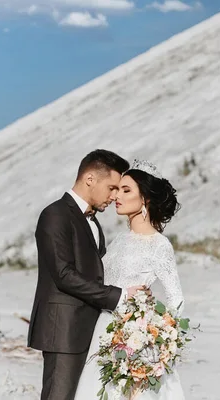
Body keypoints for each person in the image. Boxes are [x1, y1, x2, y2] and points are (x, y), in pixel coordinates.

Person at [27, 149, 148, 400]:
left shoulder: (92, 221)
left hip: (89, 329)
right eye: (112, 187)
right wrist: (120, 297)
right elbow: (64, 274)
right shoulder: (55, 214)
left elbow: (96, 273)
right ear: (90, 179)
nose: (114, 196)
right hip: (64, 331)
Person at [74, 159, 185, 400]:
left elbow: (176, 299)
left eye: (126, 190)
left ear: (144, 198)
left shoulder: (158, 245)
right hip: (102, 332)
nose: (116, 196)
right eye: (116, 189)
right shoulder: (119, 240)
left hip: (133, 341)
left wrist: (155, 339)